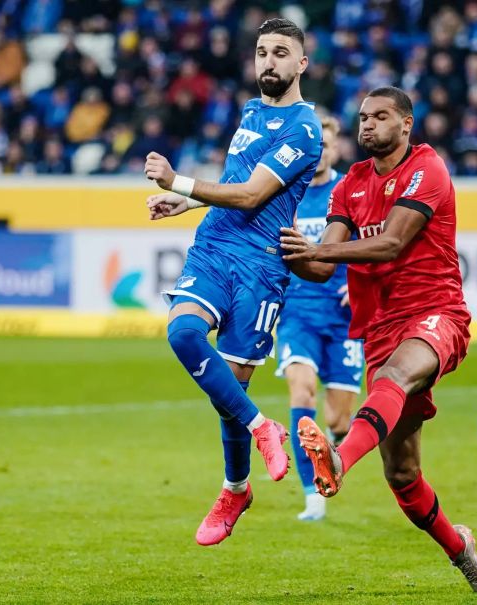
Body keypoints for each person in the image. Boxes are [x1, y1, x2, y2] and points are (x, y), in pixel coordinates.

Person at [279, 86, 477, 594]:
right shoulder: (349, 185)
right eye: (362, 117)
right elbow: (320, 263)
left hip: (435, 313)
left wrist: (320, 252)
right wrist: (291, 253)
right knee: (403, 476)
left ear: (406, 124)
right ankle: (461, 552)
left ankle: (336, 459)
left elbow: (392, 242)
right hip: (379, 327)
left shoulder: (428, 167)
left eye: (380, 117)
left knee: (395, 375)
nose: (367, 126)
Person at [143, 18, 323, 545]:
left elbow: (250, 195)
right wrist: (188, 200)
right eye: (262, 52)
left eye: (281, 53)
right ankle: (263, 427)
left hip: (263, 266)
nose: (269, 61)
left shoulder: (305, 130)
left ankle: (235, 488)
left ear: (301, 64)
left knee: (232, 392)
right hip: (216, 248)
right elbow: (232, 187)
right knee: (182, 333)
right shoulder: (249, 111)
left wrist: (177, 179)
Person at [275, 116, 364, 522]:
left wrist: (361, 283)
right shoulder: (284, 193)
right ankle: (312, 492)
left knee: (338, 420)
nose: (322, 151)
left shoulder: (351, 191)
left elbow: (376, 241)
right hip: (298, 312)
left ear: (335, 148)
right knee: (302, 390)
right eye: (317, 144)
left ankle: (330, 451)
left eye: (328, 144)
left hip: (345, 316)